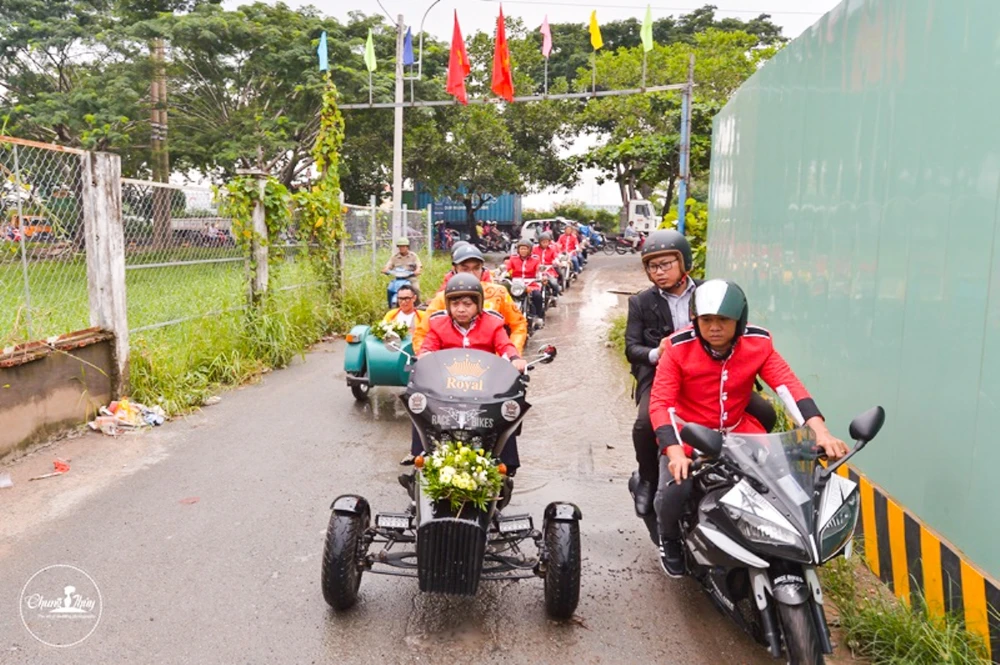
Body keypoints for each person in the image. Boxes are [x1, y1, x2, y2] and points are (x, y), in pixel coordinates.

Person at [648, 279, 849, 577]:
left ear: (739, 320)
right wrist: (675, 452)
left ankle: (779, 541)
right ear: (695, 319)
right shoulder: (678, 348)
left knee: (780, 480)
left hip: (740, 431)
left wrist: (820, 431)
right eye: (706, 320)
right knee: (677, 487)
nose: (714, 327)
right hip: (689, 434)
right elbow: (661, 403)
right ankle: (669, 539)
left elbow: (788, 386)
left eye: (723, 320)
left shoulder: (758, 343)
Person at [625, 230, 777, 519]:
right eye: (652, 266)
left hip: (714, 372)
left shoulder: (711, 291)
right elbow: (631, 348)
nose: (659, 272)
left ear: (684, 262)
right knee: (645, 424)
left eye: (666, 264)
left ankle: (731, 459)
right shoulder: (641, 302)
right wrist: (657, 352)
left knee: (764, 413)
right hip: (662, 374)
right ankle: (647, 478)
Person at [404, 274, 527, 471]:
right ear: (448, 305)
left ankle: (506, 463)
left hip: (483, 388)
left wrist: (515, 359)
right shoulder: (438, 325)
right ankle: (420, 456)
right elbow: (428, 346)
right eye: (455, 304)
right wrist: (424, 356)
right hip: (446, 387)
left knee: (506, 409)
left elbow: (505, 345)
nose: (461, 309)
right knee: (419, 403)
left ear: (478, 304)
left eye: (468, 304)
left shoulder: (493, 323)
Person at [413, 244, 527, 356]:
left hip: (491, 362)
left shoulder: (498, 293)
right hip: (450, 362)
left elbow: (518, 324)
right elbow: (422, 333)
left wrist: (512, 355)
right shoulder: (443, 298)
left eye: (476, 268)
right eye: (465, 269)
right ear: (454, 269)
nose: (471, 273)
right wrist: (426, 357)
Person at [504, 238, 546, 325]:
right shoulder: (513, 258)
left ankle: (539, 316)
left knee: (537, 296)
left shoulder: (535, 259)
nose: (523, 251)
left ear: (529, 250)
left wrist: (542, 276)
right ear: (518, 250)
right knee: (504, 295)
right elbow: (507, 269)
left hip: (531, 284)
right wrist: (502, 274)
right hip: (516, 285)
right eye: (521, 249)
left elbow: (539, 270)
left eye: (525, 249)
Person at [531, 232, 562, 297]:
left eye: (546, 242)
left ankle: (555, 294)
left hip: (548, 270)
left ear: (549, 242)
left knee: (553, 282)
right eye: (543, 242)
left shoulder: (552, 249)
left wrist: (557, 262)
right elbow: (531, 257)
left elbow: (555, 257)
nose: (545, 244)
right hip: (537, 270)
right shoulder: (534, 249)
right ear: (540, 242)